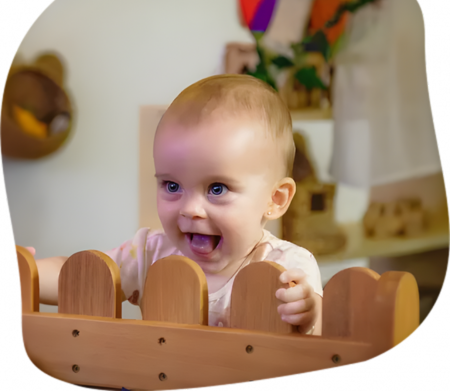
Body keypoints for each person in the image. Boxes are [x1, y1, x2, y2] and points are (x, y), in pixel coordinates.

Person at [28, 74, 323, 335]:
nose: (190, 209)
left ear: (275, 199)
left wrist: (308, 312)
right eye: (172, 186)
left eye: (217, 189)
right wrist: (29, 271)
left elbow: (327, 332)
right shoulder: (149, 252)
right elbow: (83, 276)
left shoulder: (288, 267)